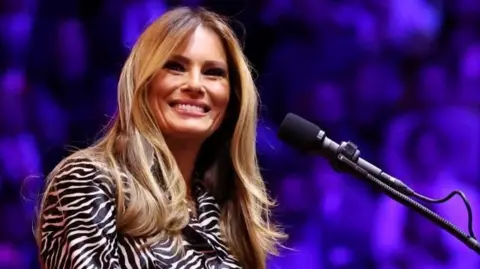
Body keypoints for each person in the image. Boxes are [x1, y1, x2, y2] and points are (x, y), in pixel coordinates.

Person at [35, 6, 285, 269]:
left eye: (213, 72)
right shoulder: (89, 180)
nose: (195, 85)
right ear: (143, 82)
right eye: (175, 67)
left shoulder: (223, 209)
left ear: (233, 99)